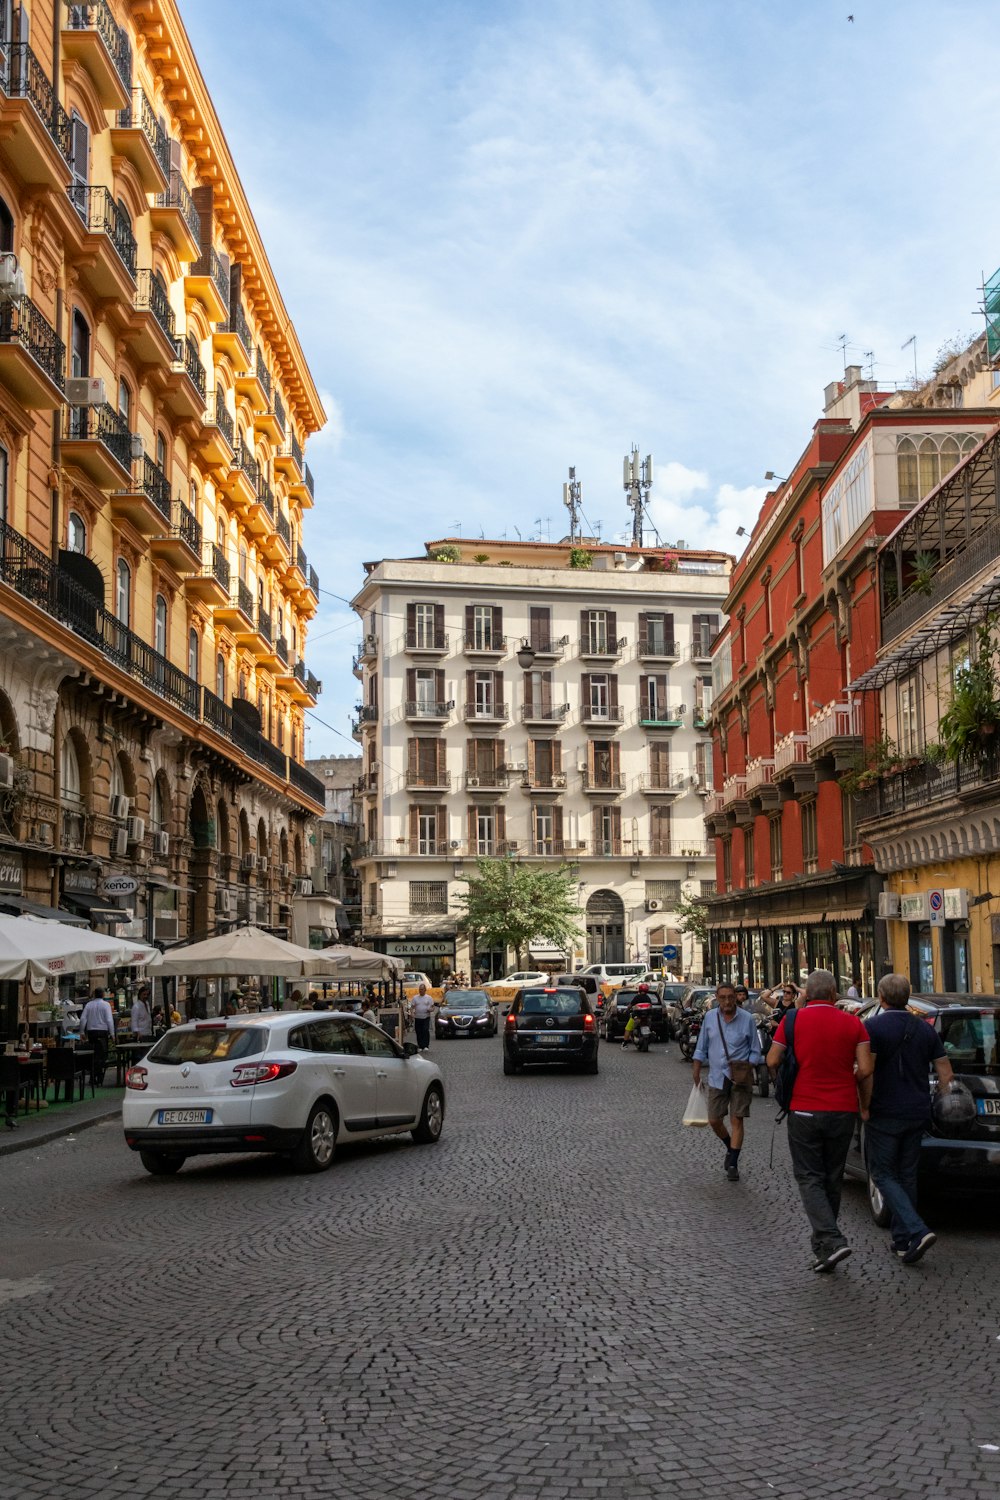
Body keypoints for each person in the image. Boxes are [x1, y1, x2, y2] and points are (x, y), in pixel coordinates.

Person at [767, 968, 874, 1273]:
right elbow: (866, 1069)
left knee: (809, 1177)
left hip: (804, 1109)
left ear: (806, 994)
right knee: (832, 1177)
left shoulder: (792, 1020)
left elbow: (772, 1060)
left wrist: (786, 1080)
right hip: (842, 1109)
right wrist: (846, 1080)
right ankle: (825, 1248)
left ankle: (831, 1238)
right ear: (833, 994)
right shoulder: (854, 1023)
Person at [864, 973, 953, 1265]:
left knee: (882, 1173)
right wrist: (933, 1095)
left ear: (881, 997)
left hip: (885, 1111)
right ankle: (903, 1241)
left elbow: (867, 1071)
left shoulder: (873, 1026)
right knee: (907, 1175)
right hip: (917, 1111)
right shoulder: (925, 1029)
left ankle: (916, 1229)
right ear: (907, 996)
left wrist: (864, 1105)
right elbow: (946, 1074)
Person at [691, 982, 763, 1182]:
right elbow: (701, 1046)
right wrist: (696, 1070)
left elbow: (755, 1050)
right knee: (714, 1119)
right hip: (717, 1076)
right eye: (723, 997)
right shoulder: (710, 1018)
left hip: (740, 1079)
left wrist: (748, 1066)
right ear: (717, 998)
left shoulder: (747, 1019)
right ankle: (730, 1147)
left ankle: (733, 1163)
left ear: (736, 997)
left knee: (736, 1119)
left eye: (731, 997)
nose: (727, 1001)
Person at [78, 987, 117, 1086]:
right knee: (101, 1055)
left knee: (93, 1054)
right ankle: (99, 1077)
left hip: (91, 1032)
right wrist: (112, 1034)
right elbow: (109, 1020)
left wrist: (82, 1032)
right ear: (103, 995)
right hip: (102, 1032)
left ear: (94, 994)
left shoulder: (89, 1005)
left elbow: (83, 1019)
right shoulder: (106, 1005)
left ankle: (92, 1076)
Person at [410, 983, 436, 1052]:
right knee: (418, 1031)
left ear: (425, 990)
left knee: (425, 1030)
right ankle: (420, 1045)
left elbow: (433, 1007)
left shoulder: (429, 998)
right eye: (419, 989)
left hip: (426, 1017)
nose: (420, 991)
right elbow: (412, 1007)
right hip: (418, 1017)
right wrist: (412, 1013)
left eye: (422, 989)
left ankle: (426, 1045)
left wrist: (431, 1009)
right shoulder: (415, 998)